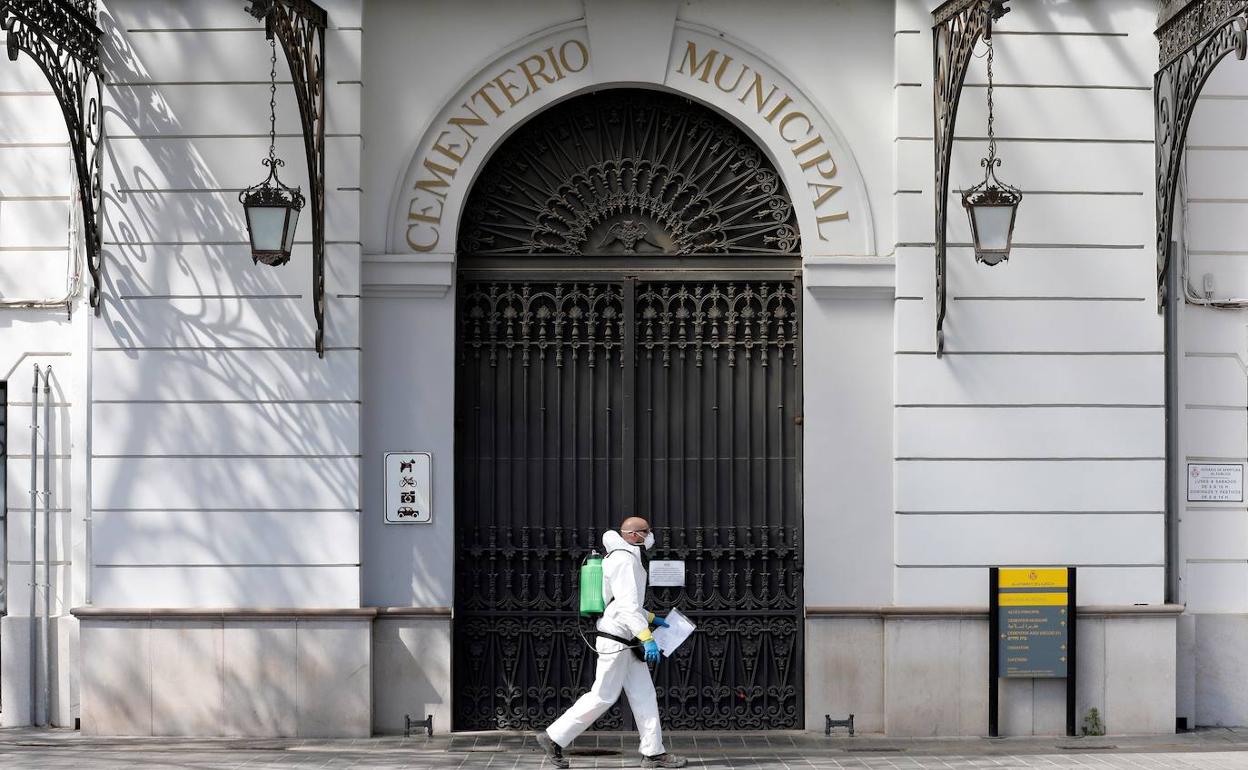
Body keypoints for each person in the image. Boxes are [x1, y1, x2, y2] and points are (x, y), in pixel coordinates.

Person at [536, 517, 687, 768]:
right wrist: (647, 638)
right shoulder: (624, 560)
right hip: (617, 641)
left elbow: (622, 604)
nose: (650, 535)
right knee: (603, 696)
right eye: (647, 531)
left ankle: (653, 752)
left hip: (625, 638)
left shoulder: (625, 557)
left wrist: (651, 618)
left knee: (644, 694)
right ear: (635, 535)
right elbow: (626, 607)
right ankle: (554, 737)